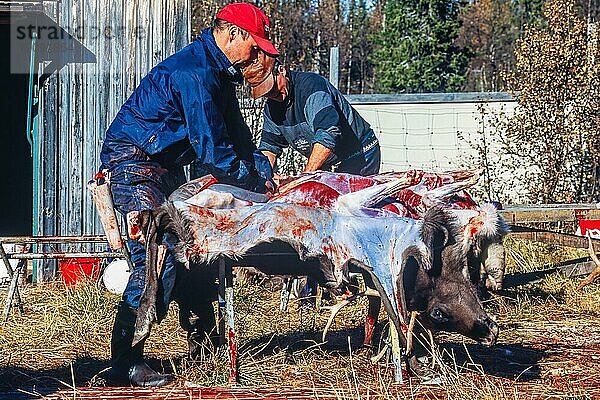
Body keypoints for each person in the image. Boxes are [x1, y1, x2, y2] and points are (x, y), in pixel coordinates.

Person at [99, 2, 278, 387]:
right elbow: (213, 150)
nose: (258, 55)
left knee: (194, 253)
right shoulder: (195, 73)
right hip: (134, 165)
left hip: (161, 168)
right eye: (256, 46)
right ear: (233, 34)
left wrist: (263, 174)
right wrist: (251, 184)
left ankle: (206, 344)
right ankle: (125, 363)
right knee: (157, 259)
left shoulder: (218, 74)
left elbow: (239, 138)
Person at [243, 57, 381, 177]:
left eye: (273, 87)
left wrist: (305, 177)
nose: (272, 94)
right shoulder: (271, 107)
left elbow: (328, 132)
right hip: (330, 162)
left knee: (345, 203)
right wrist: (264, 178)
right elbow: (269, 147)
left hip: (360, 153)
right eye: (265, 93)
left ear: (281, 70)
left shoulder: (311, 87)